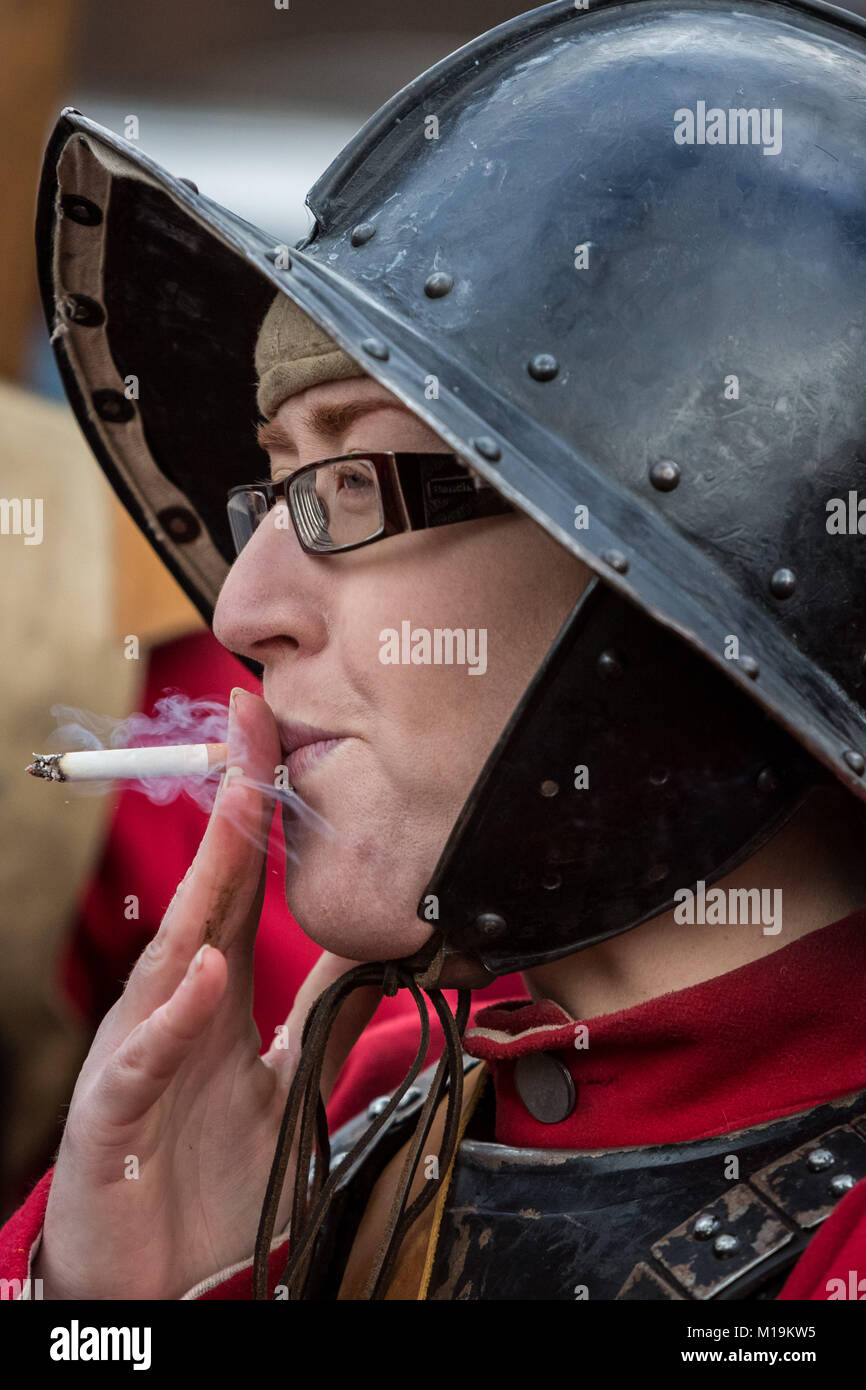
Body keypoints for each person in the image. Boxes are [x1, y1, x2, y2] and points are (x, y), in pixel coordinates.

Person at [4, 0, 866, 1300]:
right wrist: (118, 1300)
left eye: (346, 489)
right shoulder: (368, 1101)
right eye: (268, 498)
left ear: (689, 545)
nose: (239, 614)